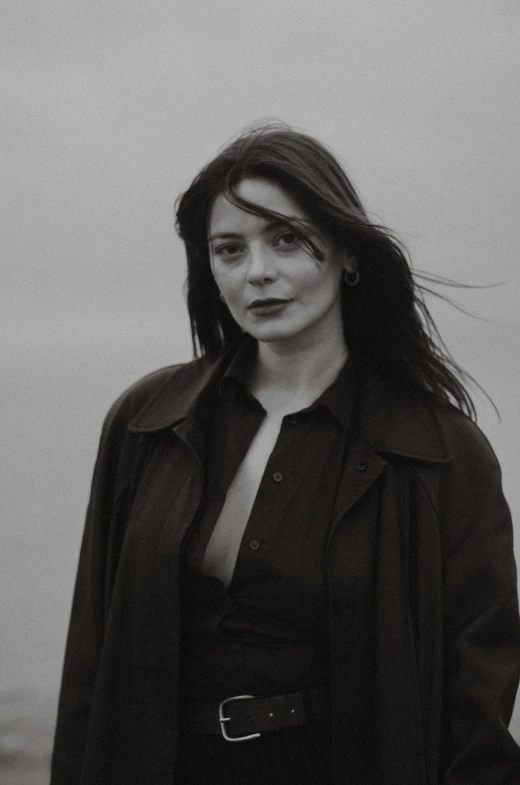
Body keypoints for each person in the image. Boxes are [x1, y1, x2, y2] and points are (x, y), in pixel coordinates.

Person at [50, 124, 520, 785]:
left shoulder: (439, 454)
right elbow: (90, 669)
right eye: (229, 249)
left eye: (286, 239)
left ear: (348, 253)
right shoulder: (145, 423)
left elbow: (478, 713)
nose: (257, 272)